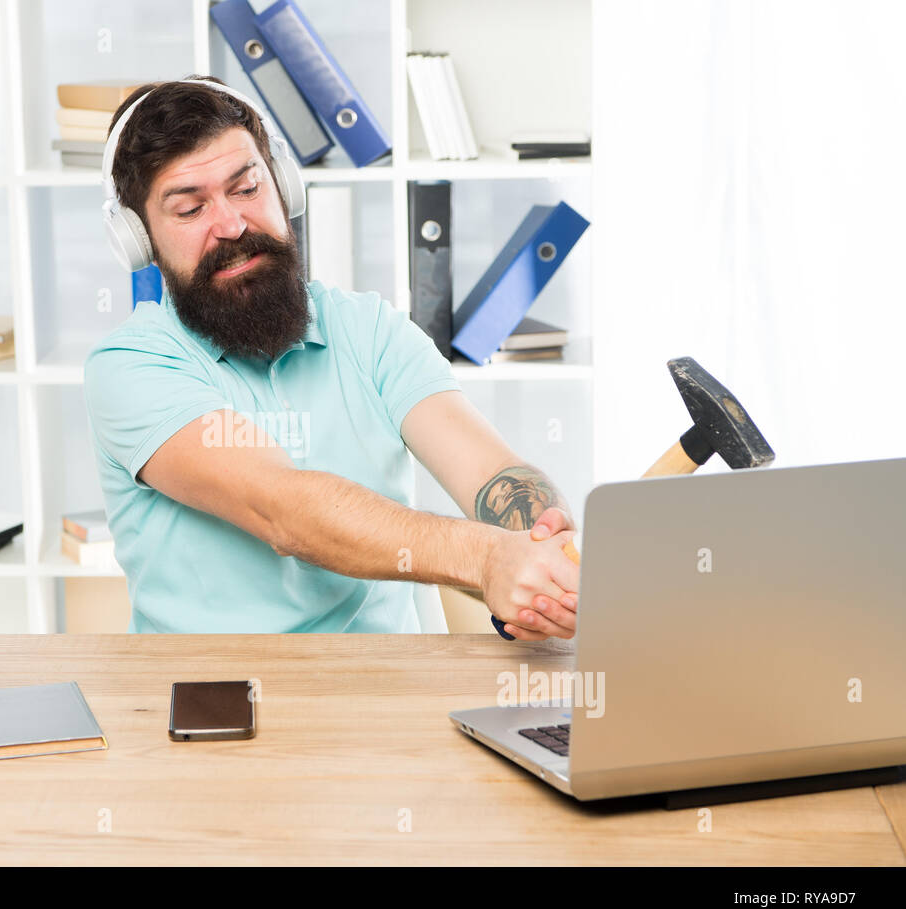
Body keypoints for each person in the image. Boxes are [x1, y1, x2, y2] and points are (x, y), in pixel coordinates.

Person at [84, 75, 579, 636]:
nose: (231, 225)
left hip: (389, 696)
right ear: (139, 238)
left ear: (284, 187)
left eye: (247, 189)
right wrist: (488, 559)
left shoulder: (370, 330)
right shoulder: (128, 366)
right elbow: (286, 512)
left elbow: (492, 474)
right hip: (212, 707)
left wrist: (543, 551)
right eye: (190, 209)